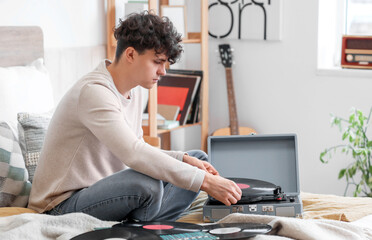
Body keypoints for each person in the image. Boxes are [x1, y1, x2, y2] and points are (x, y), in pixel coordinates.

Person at [28, 11, 242, 222]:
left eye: (165, 63)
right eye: (157, 61)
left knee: (198, 160)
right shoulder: (94, 92)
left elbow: (138, 145)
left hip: (103, 192)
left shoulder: (134, 90)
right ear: (130, 54)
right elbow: (134, 154)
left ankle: (148, 222)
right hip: (60, 206)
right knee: (146, 185)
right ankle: (149, 221)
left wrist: (183, 159)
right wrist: (203, 182)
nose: (163, 71)